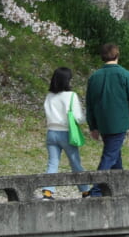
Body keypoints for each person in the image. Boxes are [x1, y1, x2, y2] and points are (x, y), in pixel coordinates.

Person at [84, 43, 129, 197]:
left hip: (102, 123)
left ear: (102, 57)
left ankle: (120, 187)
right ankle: (96, 190)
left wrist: (92, 126)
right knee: (110, 155)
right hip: (118, 122)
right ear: (117, 55)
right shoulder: (125, 75)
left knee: (115, 156)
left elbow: (89, 104)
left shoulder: (94, 77)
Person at [41, 67, 91, 200]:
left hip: (51, 132)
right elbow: (78, 117)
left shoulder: (49, 96)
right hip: (67, 133)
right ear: (67, 80)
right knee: (75, 162)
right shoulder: (71, 95)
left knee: (52, 163)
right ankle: (85, 191)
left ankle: (47, 192)